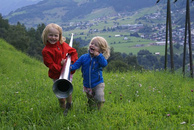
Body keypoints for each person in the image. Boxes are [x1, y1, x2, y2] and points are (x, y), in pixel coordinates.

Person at [41, 23, 78, 115]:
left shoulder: (62, 44)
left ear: (59, 36)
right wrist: (61, 66)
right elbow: (50, 65)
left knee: (67, 89)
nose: (53, 38)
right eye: (51, 35)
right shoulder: (46, 51)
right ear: (46, 36)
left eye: (56, 36)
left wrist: (70, 63)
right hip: (56, 74)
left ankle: (69, 105)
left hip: (67, 72)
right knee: (61, 95)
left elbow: (73, 52)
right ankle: (63, 108)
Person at [70, 36, 110, 110]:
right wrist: (69, 67)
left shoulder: (99, 59)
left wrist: (98, 56)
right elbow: (76, 65)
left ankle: (99, 111)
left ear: (100, 50)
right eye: (92, 43)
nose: (92, 45)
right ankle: (91, 110)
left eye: (95, 45)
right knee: (91, 100)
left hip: (98, 83)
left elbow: (104, 64)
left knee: (99, 97)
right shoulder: (84, 57)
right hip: (87, 84)